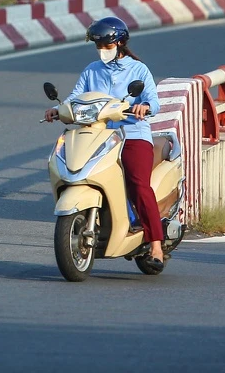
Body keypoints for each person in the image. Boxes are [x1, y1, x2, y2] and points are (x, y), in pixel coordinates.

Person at [43, 16, 164, 267]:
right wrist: (60, 109)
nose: (102, 51)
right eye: (98, 46)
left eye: (106, 46)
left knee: (138, 184)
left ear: (119, 44)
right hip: (100, 135)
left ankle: (155, 246)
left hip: (132, 133)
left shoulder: (138, 70)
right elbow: (76, 98)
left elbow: (153, 100)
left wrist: (144, 106)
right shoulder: (91, 70)